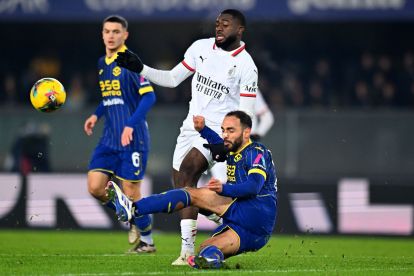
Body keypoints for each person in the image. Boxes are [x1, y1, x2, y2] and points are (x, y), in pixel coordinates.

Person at [115, 9, 258, 264]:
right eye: (217, 24)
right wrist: (141, 68)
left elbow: (245, 115)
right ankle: (212, 211)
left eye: (226, 24)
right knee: (183, 186)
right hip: (189, 127)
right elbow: (171, 79)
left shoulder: (246, 66)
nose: (219, 28)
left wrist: (229, 142)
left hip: (215, 133)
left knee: (189, 170)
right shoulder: (200, 48)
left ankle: (185, 252)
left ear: (239, 30)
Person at [108, 110, 278, 269]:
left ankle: (134, 209)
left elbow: (254, 186)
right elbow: (217, 142)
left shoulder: (257, 151)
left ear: (246, 132)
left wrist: (223, 188)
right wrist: (203, 129)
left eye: (231, 130)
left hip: (254, 210)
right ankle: (213, 261)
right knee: (206, 251)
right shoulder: (233, 147)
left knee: (190, 193)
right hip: (255, 233)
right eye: (223, 130)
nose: (225, 134)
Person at [83, 15, 157, 253]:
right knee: (95, 187)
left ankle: (147, 242)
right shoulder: (101, 63)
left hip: (133, 138)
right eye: (107, 31)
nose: (111, 35)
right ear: (102, 34)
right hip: (109, 138)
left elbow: (149, 96)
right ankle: (129, 215)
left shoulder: (130, 62)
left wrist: (130, 125)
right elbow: (110, 98)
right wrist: (96, 115)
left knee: (132, 192)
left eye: (116, 31)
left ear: (125, 35)